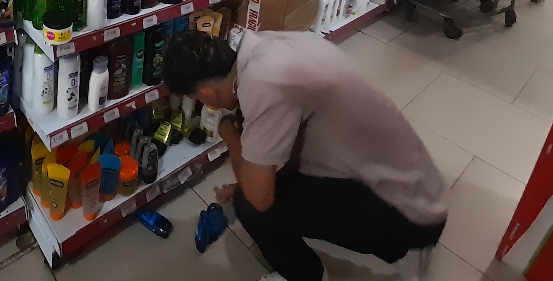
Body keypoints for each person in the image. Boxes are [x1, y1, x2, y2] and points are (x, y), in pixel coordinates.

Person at [163, 30, 447, 281]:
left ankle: (310, 274)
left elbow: (260, 199)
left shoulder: (263, 83)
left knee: (248, 206)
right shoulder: (265, 45)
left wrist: (229, 135)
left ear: (206, 91)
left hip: (408, 214)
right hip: (416, 180)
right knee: (257, 183)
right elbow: (285, 152)